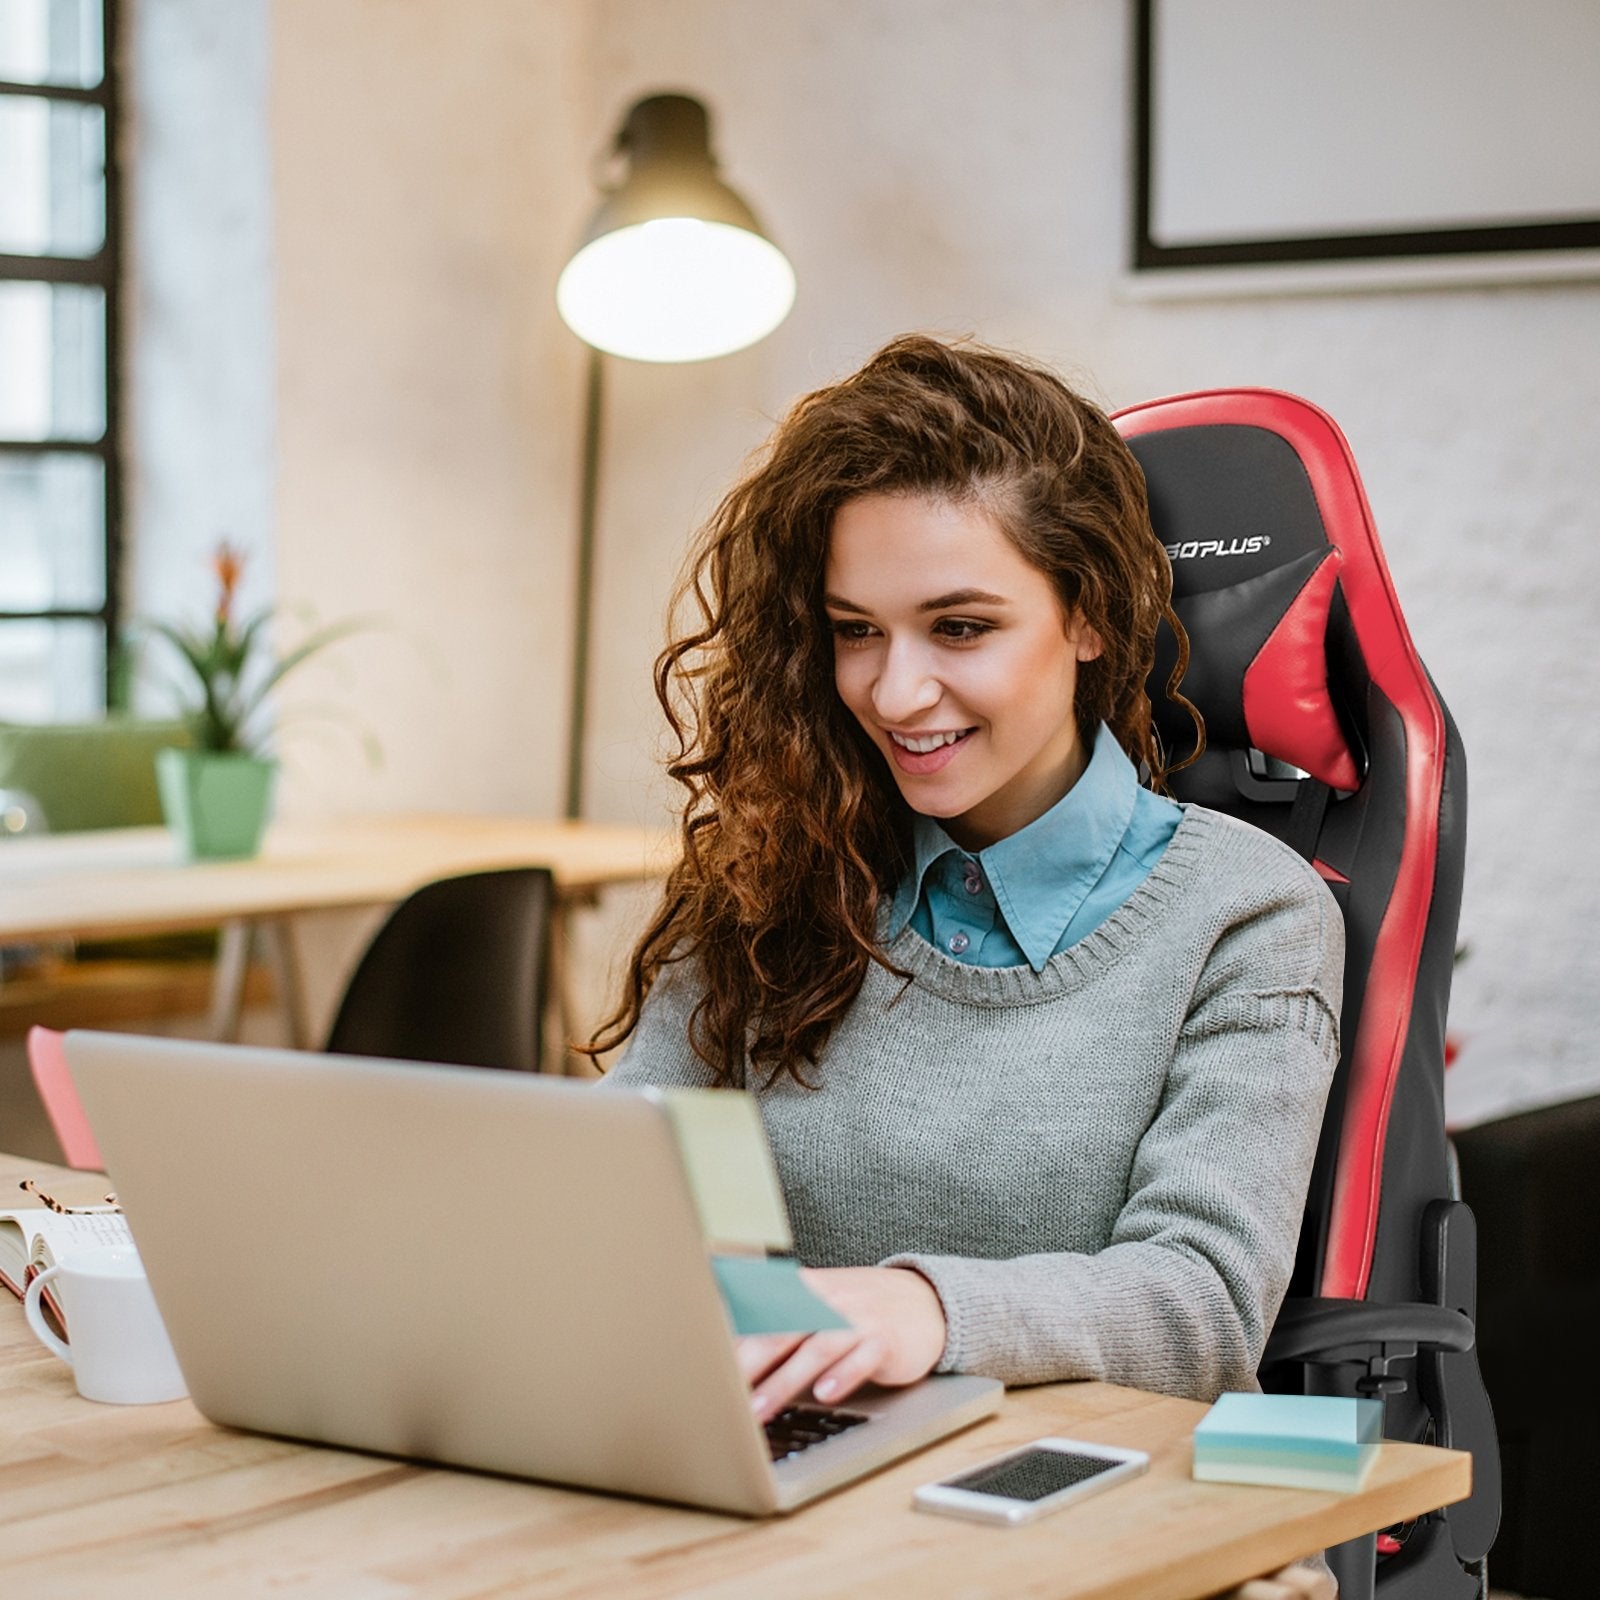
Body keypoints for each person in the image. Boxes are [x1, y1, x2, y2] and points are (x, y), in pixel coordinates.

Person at [595, 336, 1343, 1590]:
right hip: (801, 1497)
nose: (896, 691)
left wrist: (922, 1309)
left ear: (1091, 612)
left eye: (960, 626)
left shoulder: (1241, 911)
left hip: (1119, 1524)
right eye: (854, 631)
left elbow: (1200, 1300)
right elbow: (632, 1181)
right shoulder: (779, 875)